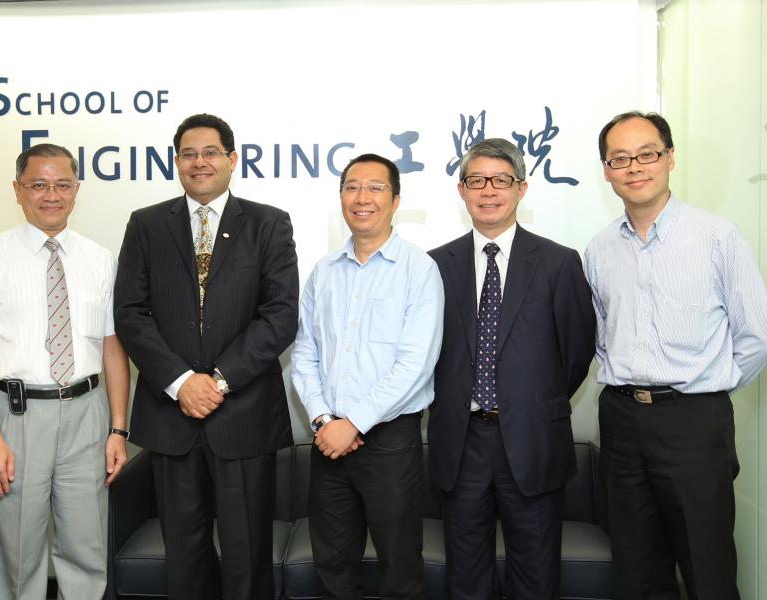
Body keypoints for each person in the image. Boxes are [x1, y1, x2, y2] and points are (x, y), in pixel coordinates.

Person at [113, 113, 298, 600]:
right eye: (189, 154)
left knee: (247, 554)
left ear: (232, 160)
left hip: (243, 415)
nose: (200, 162)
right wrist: (180, 381)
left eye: (211, 152)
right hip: (170, 416)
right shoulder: (146, 225)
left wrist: (217, 380)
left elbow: (280, 315)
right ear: (176, 162)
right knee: (184, 555)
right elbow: (130, 314)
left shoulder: (268, 224)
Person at [585, 111, 767, 600]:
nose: (634, 167)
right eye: (619, 158)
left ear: (669, 158)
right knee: (636, 569)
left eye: (647, 154)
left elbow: (756, 335)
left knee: (706, 566)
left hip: (694, 421)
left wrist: (707, 389)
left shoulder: (716, 237)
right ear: (606, 170)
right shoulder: (599, 249)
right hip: (621, 420)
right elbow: (602, 334)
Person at [0, 143, 130, 600]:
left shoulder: (101, 259)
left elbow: (113, 350)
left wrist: (117, 429)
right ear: (17, 190)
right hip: (17, 416)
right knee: (18, 552)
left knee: (86, 548)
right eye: (38, 184)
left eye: (62, 185)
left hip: (86, 415)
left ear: (76, 191)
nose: (50, 195)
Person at [428, 138, 595, 599]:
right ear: (461, 190)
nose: (489, 191)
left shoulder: (559, 263)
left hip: (533, 439)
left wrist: (527, 402)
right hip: (460, 443)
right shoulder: (434, 266)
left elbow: (577, 352)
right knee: (466, 575)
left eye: (501, 180)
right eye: (476, 180)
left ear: (522, 188)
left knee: (536, 574)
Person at [290, 153, 444, 599]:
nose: (362, 198)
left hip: (390, 442)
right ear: (341, 197)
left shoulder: (419, 270)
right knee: (332, 565)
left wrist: (352, 424)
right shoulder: (324, 271)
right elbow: (305, 352)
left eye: (375, 188)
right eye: (352, 187)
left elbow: (416, 364)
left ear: (395, 199)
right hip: (328, 439)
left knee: (399, 566)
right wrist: (322, 421)